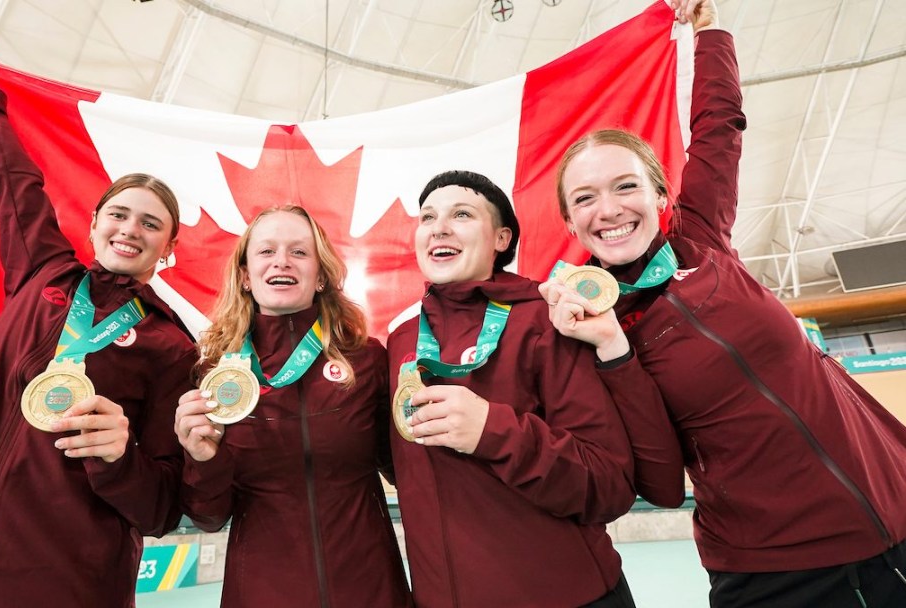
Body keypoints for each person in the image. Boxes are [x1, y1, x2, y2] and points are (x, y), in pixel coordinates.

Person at [543, 1, 906, 606]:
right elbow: (659, 481)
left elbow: (718, 127)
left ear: (661, 192)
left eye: (626, 185)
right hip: (778, 573)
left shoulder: (699, 238)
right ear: (570, 223)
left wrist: (708, 31)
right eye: (585, 198)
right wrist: (613, 349)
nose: (608, 209)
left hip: (897, 512)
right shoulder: (587, 328)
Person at [0, 54, 197, 607]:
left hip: (55, 590)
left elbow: (164, 508)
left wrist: (121, 457)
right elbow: (12, 182)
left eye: (151, 224)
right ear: (94, 223)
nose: (130, 229)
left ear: (169, 249)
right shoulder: (43, 273)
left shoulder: (171, 346)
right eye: (118, 214)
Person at [388, 168, 643, 608]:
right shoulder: (401, 340)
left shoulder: (549, 320)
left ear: (502, 239)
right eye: (427, 218)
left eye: (462, 214)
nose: (439, 228)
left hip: (569, 597)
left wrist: (492, 431)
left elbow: (608, 485)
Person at [174, 205, 411, 608]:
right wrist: (201, 458)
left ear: (320, 276)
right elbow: (208, 517)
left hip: (370, 585)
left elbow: (408, 474)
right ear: (246, 276)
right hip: (263, 590)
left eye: (299, 252)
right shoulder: (215, 375)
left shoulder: (366, 360)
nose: (282, 260)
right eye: (266, 251)